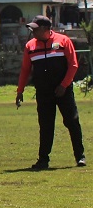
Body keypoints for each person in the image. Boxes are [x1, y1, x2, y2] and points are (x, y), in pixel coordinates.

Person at [15, 15, 85, 170]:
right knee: (46, 125)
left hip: (63, 91)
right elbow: (25, 70)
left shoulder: (63, 41)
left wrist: (64, 85)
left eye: (35, 29)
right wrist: (20, 91)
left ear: (46, 29)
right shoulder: (30, 46)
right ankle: (43, 160)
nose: (32, 32)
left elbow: (73, 65)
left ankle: (80, 156)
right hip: (43, 92)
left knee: (72, 122)